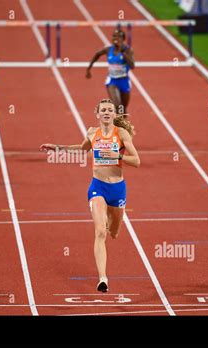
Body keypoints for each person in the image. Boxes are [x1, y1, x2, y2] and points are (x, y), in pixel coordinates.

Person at [40, 99, 140, 292]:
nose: (106, 113)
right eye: (103, 110)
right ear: (97, 114)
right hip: (98, 187)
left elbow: (136, 161)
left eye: (110, 110)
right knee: (100, 232)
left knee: (114, 233)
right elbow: (81, 148)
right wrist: (57, 147)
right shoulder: (92, 132)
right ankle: (103, 278)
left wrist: (118, 156)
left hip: (117, 189)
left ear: (114, 114)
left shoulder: (122, 134)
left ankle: (112, 222)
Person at [86, 29, 135, 114]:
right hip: (112, 81)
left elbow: (132, 66)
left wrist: (124, 55)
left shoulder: (128, 50)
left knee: (123, 109)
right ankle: (115, 124)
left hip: (124, 81)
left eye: (119, 36)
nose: (116, 38)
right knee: (117, 105)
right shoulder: (108, 49)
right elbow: (97, 54)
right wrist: (89, 68)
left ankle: (122, 123)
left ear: (123, 39)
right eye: (114, 36)